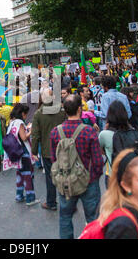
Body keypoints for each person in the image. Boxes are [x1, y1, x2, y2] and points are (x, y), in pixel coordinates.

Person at [50, 94, 104, 239]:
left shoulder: (55, 132)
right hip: (88, 181)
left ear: (64, 110)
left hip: (66, 180)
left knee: (65, 217)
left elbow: (54, 159)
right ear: (80, 109)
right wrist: (94, 177)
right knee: (93, 218)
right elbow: (98, 161)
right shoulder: (89, 131)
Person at [31, 88, 67, 211]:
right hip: (63, 148)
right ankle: (68, 201)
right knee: (65, 174)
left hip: (47, 150)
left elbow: (35, 135)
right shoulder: (61, 111)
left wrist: (34, 151)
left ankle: (51, 202)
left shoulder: (39, 114)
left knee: (50, 177)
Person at [8, 103, 40, 206]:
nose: (26, 116)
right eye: (26, 114)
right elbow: (24, 137)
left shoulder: (12, 122)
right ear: (22, 113)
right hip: (23, 152)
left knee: (20, 174)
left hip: (16, 152)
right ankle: (30, 198)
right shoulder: (20, 123)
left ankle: (19, 195)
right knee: (27, 175)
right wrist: (30, 130)